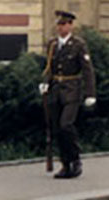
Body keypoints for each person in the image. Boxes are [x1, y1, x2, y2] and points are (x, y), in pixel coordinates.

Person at [39, 10, 97, 179]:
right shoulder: (52, 44)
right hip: (56, 90)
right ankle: (65, 164)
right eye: (59, 24)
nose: (61, 27)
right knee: (56, 128)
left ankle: (75, 159)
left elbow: (87, 70)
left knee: (66, 125)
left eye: (64, 24)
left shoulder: (78, 44)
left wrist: (90, 93)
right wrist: (45, 81)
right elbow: (49, 66)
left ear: (71, 25)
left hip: (72, 89)